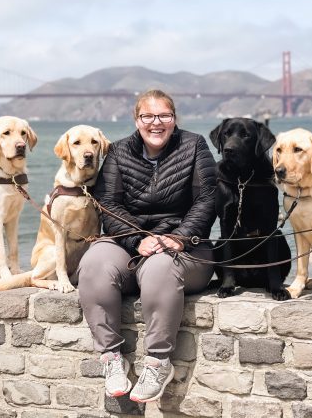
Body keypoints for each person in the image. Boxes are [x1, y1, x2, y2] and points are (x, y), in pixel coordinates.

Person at [77, 89, 216, 403]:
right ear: (137, 120)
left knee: (159, 268)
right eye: (148, 116)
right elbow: (108, 204)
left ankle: (157, 363)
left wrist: (177, 237)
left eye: (164, 115)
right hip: (130, 241)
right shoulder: (119, 151)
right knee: (94, 263)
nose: (157, 123)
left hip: (186, 247)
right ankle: (112, 358)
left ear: (174, 118)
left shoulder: (194, 145)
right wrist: (138, 239)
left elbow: (208, 200)